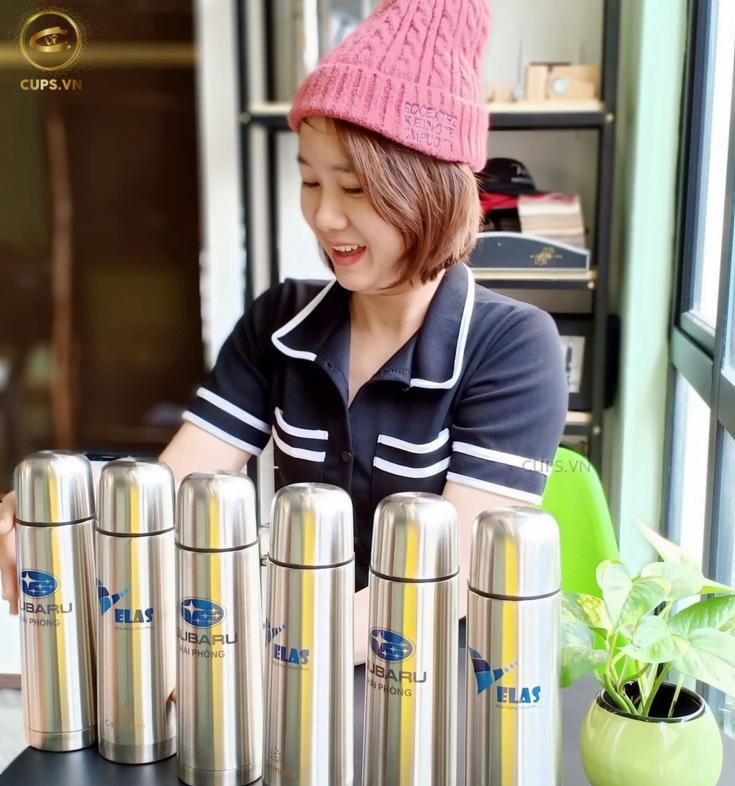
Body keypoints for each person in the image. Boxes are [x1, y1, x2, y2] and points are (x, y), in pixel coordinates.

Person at [0, 0, 567, 663]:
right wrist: (53, 510)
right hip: (287, 667)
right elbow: (172, 486)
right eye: (309, 181)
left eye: (354, 188)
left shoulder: (514, 348)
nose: (323, 216)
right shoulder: (281, 321)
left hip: (430, 687)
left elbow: (454, 576)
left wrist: (263, 651)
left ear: (432, 190)